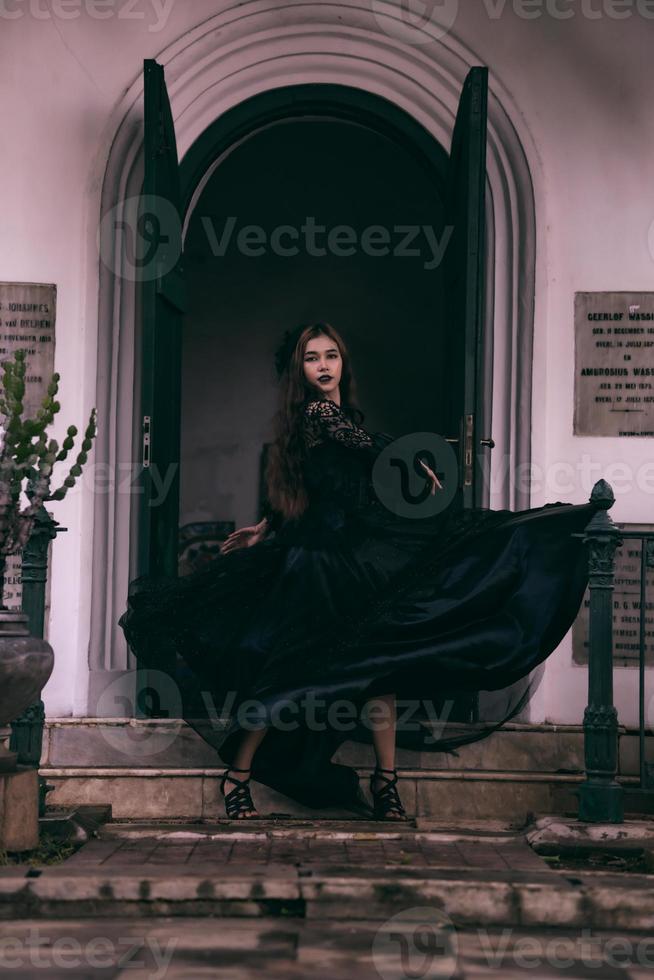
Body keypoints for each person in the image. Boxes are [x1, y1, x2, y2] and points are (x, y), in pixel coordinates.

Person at [118, 321, 600, 822]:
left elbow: (315, 485)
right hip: (321, 566)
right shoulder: (320, 413)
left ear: (343, 362)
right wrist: (411, 460)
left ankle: (385, 782)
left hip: (362, 558)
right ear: (299, 371)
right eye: (312, 358)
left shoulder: (335, 420)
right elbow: (365, 448)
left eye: (331, 355)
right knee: (291, 670)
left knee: (377, 666)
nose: (324, 365)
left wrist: (266, 525)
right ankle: (238, 774)